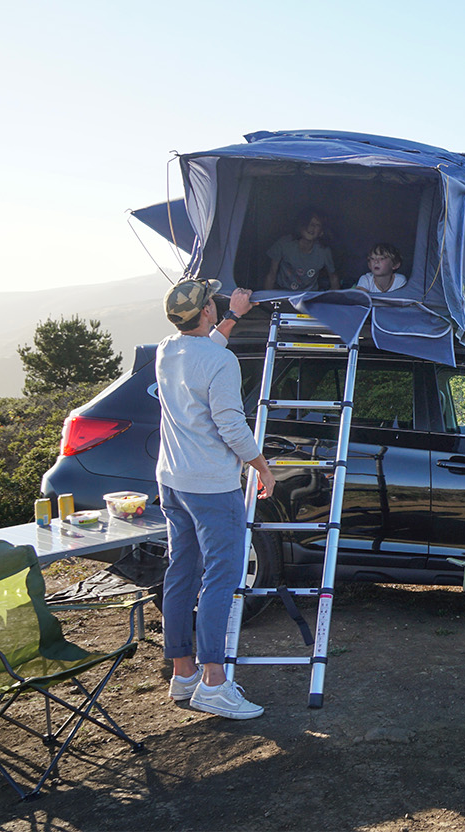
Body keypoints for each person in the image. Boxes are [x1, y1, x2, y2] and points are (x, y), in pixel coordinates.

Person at [157, 278, 275, 720]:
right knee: (221, 579)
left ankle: (183, 673)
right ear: (206, 311)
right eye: (214, 301)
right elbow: (230, 425)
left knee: (181, 572)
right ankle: (214, 682)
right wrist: (262, 466)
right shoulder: (221, 362)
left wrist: (233, 317)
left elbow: (201, 349)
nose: (217, 303)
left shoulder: (166, 350)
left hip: (172, 480)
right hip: (211, 485)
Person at [263, 210, 340, 292]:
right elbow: (271, 275)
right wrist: (266, 301)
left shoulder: (324, 251)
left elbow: (333, 278)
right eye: (309, 223)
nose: (312, 227)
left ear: (321, 232)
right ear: (300, 226)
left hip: (309, 296)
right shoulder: (284, 244)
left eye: (317, 225)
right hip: (283, 293)